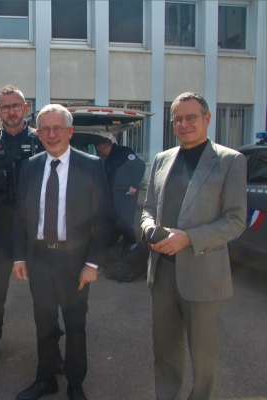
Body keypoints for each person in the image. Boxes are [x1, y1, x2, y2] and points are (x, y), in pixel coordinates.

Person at [141, 92, 247, 400]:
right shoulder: (162, 159)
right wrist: (148, 228)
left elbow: (235, 220)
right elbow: (148, 208)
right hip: (163, 273)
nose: (184, 124)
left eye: (191, 117)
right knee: (164, 350)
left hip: (203, 272)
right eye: (178, 119)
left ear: (207, 119)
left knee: (203, 357)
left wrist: (187, 238)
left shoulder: (230, 161)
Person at [12, 104, 112, 400]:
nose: (51, 134)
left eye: (58, 129)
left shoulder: (91, 165)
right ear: (38, 133)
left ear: (70, 132)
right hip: (40, 257)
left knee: (75, 324)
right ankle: (45, 380)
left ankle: (75, 384)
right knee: (43, 323)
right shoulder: (30, 165)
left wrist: (93, 263)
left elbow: (103, 218)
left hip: (75, 260)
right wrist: (19, 256)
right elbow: (20, 215)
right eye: (45, 129)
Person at [0, 85, 50, 378]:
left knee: (46, 297)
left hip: (38, 232)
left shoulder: (43, 139)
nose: (12, 111)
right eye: (5, 107)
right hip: (0, 234)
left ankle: (51, 355)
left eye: (16, 105)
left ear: (26, 106)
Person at [95, 138, 146, 247]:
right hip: (115, 194)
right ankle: (111, 248)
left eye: (101, 151)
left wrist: (134, 185)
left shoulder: (124, 152)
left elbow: (140, 166)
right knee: (114, 220)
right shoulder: (109, 158)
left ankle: (131, 246)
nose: (100, 154)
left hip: (127, 193)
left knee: (126, 222)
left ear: (106, 148)